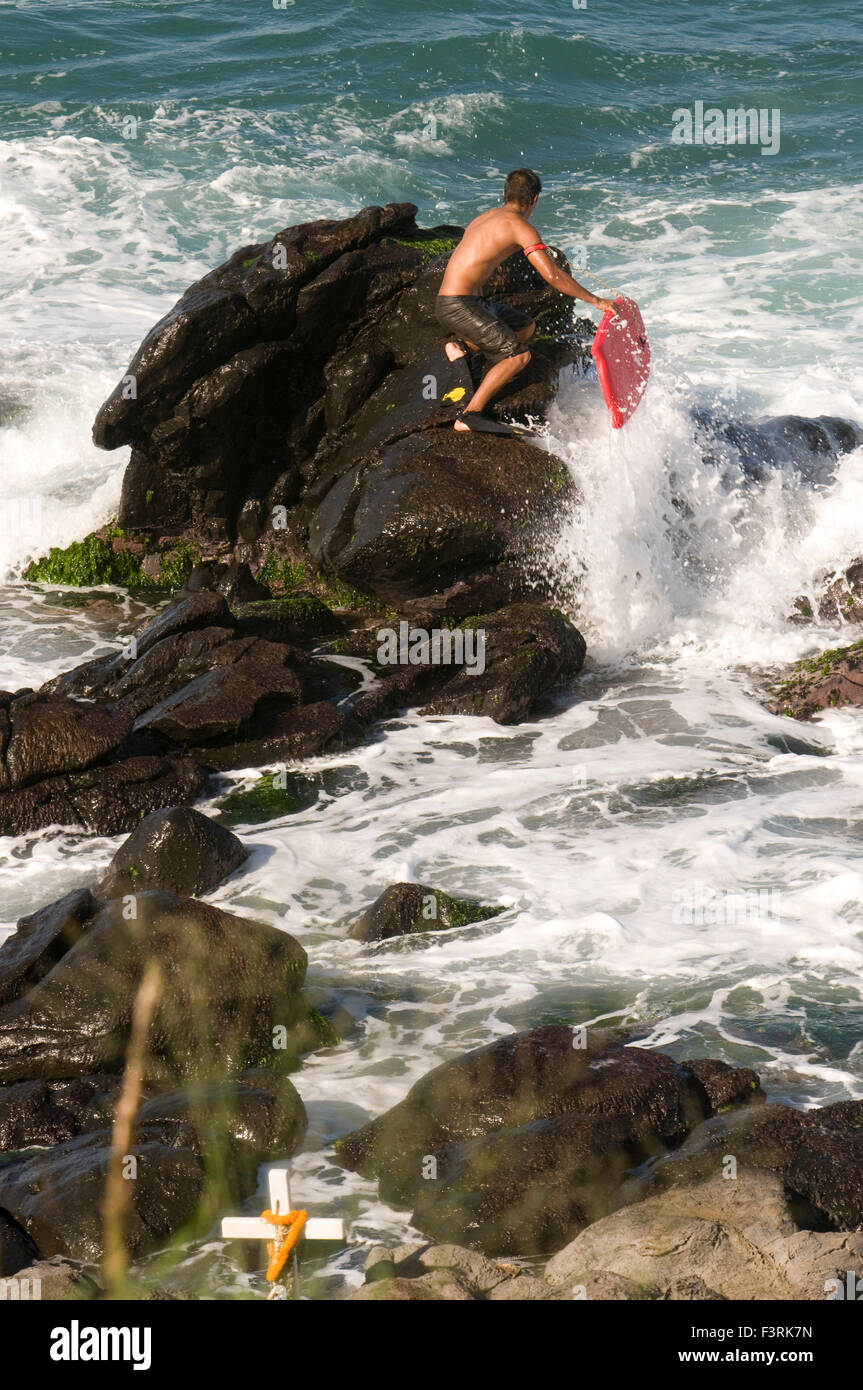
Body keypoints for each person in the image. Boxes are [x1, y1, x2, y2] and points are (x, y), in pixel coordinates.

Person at [435, 168, 618, 431]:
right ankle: (469, 415)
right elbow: (553, 276)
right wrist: (596, 301)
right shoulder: (520, 227)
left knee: (524, 327)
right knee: (518, 357)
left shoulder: (485, 217)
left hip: (463, 302)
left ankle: (464, 350)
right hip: (459, 305)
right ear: (534, 200)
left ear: (504, 194)